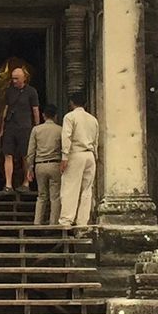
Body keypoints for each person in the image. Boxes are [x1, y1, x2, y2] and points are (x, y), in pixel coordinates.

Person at [59, 91, 99, 228]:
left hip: (76, 153)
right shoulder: (93, 119)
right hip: (90, 154)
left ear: (71, 103)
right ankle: (82, 221)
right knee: (87, 189)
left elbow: (66, 137)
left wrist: (64, 157)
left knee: (71, 187)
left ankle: (66, 220)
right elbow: (96, 141)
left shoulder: (70, 117)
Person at [0, 66, 40, 191]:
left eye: (17, 78)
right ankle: (8, 184)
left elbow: (35, 110)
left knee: (25, 156)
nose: (14, 81)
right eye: (13, 79)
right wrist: (2, 128)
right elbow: (5, 110)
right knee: (8, 154)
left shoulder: (31, 92)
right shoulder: (9, 91)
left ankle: (26, 183)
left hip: (25, 128)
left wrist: (37, 128)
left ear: (24, 78)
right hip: (11, 127)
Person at [25, 103, 63, 225]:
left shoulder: (36, 130)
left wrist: (29, 168)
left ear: (43, 116)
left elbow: (31, 151)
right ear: (56, 116)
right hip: (55, 165)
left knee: (41, 196)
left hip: (40, 165)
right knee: (55, 197)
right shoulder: (60, 130)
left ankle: (37, 222)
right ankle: (53, 223)